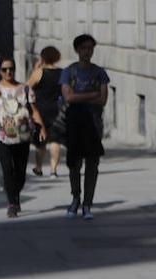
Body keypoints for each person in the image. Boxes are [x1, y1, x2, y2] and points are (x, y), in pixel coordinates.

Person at [0, 57, 45, 217]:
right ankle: (12, 203)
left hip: (22, 135)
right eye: (4, 69)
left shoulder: (24, 89)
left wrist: (42, 127)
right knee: (7, 169)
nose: (8, 72)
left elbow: (34, 110)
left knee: (21, 173)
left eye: (11, 69)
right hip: (0, 136)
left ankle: (13, 192)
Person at [60, 34, 109, 220]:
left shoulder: (100, 72)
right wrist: (92, 94)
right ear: (77, 50)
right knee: (74, 163)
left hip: (94, 124)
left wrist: (80, 96)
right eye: (83, 48)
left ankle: (88, 203)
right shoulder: (69, 72)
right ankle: (75, 197)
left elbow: (103, 100)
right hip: (73, 123)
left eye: (90, 48)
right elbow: (68, 97)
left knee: (92, 164)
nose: (87, 52)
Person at [28, 46, 65, 176]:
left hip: (40, 109)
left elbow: (27, 87)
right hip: (56, 108)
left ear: (43, 57)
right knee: (55, 140)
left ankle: (38, 168)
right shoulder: (62, 72)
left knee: (41, 140)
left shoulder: (39, 72)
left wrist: (35, 69)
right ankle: (53, 170)